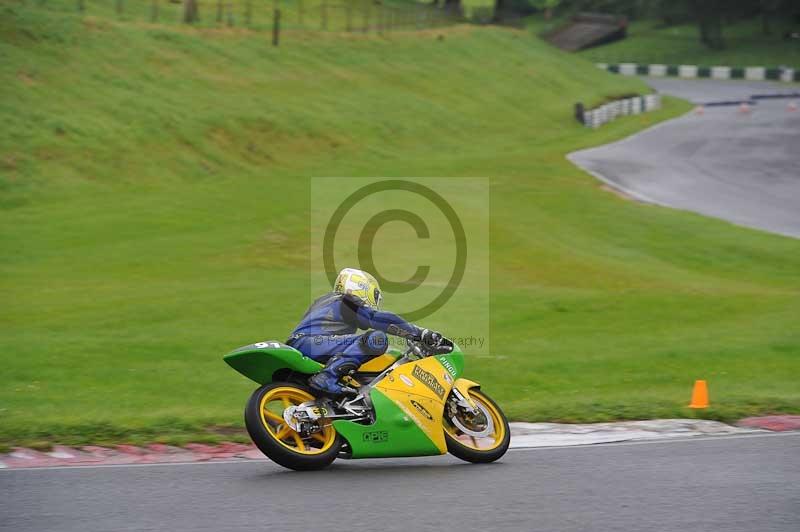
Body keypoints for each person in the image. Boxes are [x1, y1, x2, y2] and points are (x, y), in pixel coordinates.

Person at [287, 268, 442, 397]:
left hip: (303, 344)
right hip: (312, 343)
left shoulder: (325, 301)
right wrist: (419, 333)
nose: (374, 304)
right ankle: (327, 377)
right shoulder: (345, 300)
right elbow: (377, 319)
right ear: (362, 288)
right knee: (376, 339)